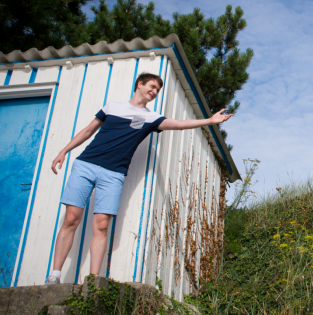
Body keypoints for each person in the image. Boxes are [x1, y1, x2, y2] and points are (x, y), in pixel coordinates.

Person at [45, 72, 232, 284]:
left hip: (113, 173)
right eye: (152, 87)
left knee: (102, 225)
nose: (154, 92)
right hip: (85, 165)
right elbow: (88, 131)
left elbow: (179, 124)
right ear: (139, 84)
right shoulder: (111, 107)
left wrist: (210, 120)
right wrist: (63, 151)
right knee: (71, 219)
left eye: (157, 90)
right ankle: (55, 275)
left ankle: (93, 281)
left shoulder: (151, 118)